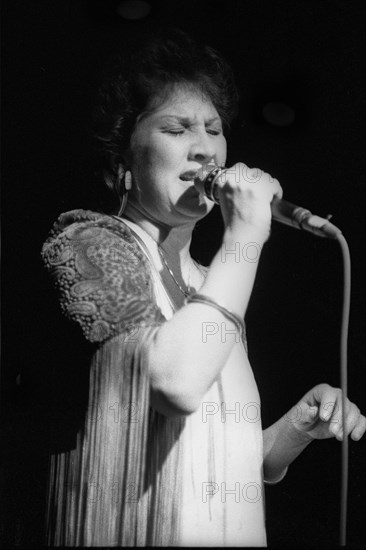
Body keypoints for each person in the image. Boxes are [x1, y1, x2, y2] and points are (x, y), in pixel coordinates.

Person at [41, 29, 365, 547]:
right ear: (120, 162)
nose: (204, 148)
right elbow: (175, 385)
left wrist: (295, 430)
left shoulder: (209, 280)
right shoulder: (87, 242)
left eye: (214, 129)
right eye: (177, 128)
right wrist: (245, 235)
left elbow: (219, 462)